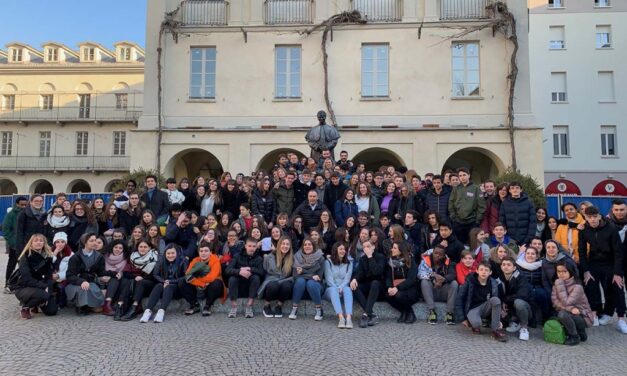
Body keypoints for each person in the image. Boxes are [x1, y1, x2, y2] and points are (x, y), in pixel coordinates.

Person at [578, 206, 626, 332]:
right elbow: (582, 251)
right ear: (585, 217)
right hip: (593, 262)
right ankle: (594, 314)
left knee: (617, 287)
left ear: (599, 216)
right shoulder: (583, 229)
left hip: (610, 262)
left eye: (595, 217)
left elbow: (618, 252)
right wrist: (586, 270)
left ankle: (621, 319)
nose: (592, 220)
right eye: (589, 217)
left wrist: (617, 273)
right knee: (590, 284)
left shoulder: (611, 228)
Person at [454, 261, 507, 342]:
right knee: (477, 324)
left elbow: (496, 305)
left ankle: (495, 330)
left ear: (490, 272)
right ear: (477, 271)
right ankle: (472, 321)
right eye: (481, 270)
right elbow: (460, 298)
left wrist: (498, 320)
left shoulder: (493, 283)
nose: (483, 272)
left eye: (486, 270)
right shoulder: (470, 281)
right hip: (472, 308)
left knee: (496, 300)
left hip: (485, 307)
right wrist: (462, 318)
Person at [65, 233, 114, 316]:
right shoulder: (75, 257)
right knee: (83, 288)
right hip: (76, 282)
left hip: (91, 282)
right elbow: (69, 275)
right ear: (85, 242)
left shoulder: (99, 257)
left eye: (95, 240)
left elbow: (101, 272)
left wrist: (114, 274)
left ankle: (90, 305)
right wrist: (81, 281)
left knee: (94, 296)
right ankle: (81, 306)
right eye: (91, 241)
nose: (95, 243)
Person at [12, 233, 58, 319]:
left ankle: (37, 304)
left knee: (52, 311)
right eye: (36, 241)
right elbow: (27, 279)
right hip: (24, 287)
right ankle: (26, 307)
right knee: (44, 295)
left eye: (41, 241)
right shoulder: (25, 257)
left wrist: (48, 287)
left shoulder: (48, 257)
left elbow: (49, 276)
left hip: (41, 286)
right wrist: (44, 286)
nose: (38, 243)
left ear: (44, 243)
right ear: (31, 243)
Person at [139, 244, 188, 323]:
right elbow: (155, 274)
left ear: (177, 253)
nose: (170, 255)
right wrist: (164, 281)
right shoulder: (161, 260)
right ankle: (148, 311)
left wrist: (170, 282)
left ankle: (161, 311)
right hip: (163, 285)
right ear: (165, 254)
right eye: (168, 253)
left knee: (169, 287)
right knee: (158, 286)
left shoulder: (183, 261)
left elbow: (185, 277)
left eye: (172, 253)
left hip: (177, 288)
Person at [552, 261, 594, 346]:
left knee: (562, 314)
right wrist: (571, 309)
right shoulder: (556, 284)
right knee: (560, 314)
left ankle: (574, 336)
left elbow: (566, 302)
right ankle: (580, 332)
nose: (561, 274)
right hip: (570, 313)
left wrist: (560, 284)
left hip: (583, 316)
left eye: (564, 271)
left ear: (570, 271)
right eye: (559, 271)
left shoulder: (577, 287)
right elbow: (555, 302)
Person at [119, 240, 159, 321]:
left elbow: (155, 276)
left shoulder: (154, 257)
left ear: (149, 248)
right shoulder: (132, 257)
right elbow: (126, 273)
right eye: (140, 247)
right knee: (129, 280)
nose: (142, 249)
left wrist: (142, 278)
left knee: (140, 282)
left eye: (145, 247)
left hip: (150, 284)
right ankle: (121, 306)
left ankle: (134, 307)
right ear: (137, 248)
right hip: (135, 283)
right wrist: (135, 277)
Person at [225, 238, 265, 318]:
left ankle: (249, 306)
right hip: (238, 288)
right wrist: (239, 271)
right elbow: (227, 270)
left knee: (256, 277)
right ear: (245, 246)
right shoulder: (237, 256)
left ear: (256, 247)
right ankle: (233, 306)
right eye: (249, 246)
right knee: (232, 278)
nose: (251, 248)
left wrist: (250, 269)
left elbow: (262, 272)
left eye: (254, 246)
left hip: (251, 288)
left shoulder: (259, 258)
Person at [418, 245, 457, 325]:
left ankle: (449, 313)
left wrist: (442, 280)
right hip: (430, 291)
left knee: (454, 283)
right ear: (432, 253)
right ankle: (432, 311)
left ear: (444, 256)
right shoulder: (425, 261)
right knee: (424, 282)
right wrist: (434, 276)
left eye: (440, 254)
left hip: (443, 291)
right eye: (435, 253)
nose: (437, 255)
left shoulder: (449, 262)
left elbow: (453, 275)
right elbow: (420, 274)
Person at [350, 240, 385, 328]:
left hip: (379, 287)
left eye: (368, 246)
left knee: (375, 283)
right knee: (354, 286)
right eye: (364, 247)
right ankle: (372, 314)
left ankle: (365, 315)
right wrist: (354, 279)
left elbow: (376, 272)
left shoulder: (380, 257)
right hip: (367, 286)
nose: (366, 249)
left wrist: (370, 257)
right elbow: (359, 273)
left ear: (373, 247)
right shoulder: (363, 259)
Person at [184, 241, 226, 316]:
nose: (203, 253)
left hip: (212, 286)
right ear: (198, 252)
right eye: (201, 251)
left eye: (206, 251)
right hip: (200, 286)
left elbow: (211, 278)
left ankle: (207, 306)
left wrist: (195, 278)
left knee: (216, 283)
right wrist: (201, 284)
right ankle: (194, 305)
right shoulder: (195, 260)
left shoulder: (215, 260)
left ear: (210, 252)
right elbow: (187, 274)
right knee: (182, 281)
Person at [289, 237, 326, 321]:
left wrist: (302, 271)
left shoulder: (320, 258)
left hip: (316, 288)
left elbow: (319, 277)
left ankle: (319, 309)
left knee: (311, 283)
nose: (307, 246)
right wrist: (311, 276)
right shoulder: (297, 257)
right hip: (300, 290)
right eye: (305, 245)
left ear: (313, 246)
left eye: (309, 244)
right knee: (300, 281)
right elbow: (295, 275)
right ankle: (294, 309)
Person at [258, 236, 294, 318]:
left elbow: (293, 275)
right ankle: (267, 305)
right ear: (279, 245)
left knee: (287, 286)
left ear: (290, 246)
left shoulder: (292, 259)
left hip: (285, 281)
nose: (285, 246)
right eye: (283, 244)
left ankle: (279, 306)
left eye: (287, 244)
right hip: (271, 282)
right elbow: (264, 271)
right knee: (273, 285)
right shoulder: (269, 257)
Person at [499, 256, 533, 341]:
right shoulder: (499, 278)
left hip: (526, 308)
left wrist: (505, 300)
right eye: (503, 264)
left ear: (514, 268)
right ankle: (512, 321)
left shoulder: (521, 277)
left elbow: (522, 295)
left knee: (518, 302)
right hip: (510, 307)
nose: (506, 267)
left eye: (509, 265)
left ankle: (524, 328)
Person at [448, 168, 485, 244]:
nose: (462, 177)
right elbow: (451, 203)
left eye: (464, 175)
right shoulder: (456, 189)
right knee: (458, 243)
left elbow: (481, 206)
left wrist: (477, 220)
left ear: (469, 175)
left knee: (472, 243)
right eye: (460, 175)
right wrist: (453, 217)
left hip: (472, 222)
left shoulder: (476, 188)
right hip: (458, 222)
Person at [385, 242, 419, 324]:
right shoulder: (391, 262)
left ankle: (410, 313)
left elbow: (411, 279)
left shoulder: (410, 262)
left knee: (399, 295)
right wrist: (389, 287)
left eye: (394, 248)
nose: (392, 249)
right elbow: (388, 277)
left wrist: (397, 288)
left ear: (401, 251)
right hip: (396, 288)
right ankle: (405, 311)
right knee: (387, 295)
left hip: (410, 289)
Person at [324, 243, 354, 329]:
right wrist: (337, 288)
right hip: (330, 289)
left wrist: (341, 287)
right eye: (340, 249)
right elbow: (329, 280)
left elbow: (347, 279)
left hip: (343, 287)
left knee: (347, 289)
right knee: (333, 290)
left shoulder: (349, 263)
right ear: (335, 250)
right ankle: (341, 317)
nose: (343, 251)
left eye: (344, 249)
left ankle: (348, 318)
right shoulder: (328, 262)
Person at [498, 182, 535, 246]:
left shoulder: (529, 202)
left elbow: (533, 222)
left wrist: (528, 238)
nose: (515, 190)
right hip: (509, 240)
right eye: (512, 188)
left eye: (517, 188)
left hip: (526, 239)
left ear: (521, 190)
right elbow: (502, 222)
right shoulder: (505, 203)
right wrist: (506, 238)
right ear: (509, 190)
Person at [3, 196, 28, 293]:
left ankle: (21, 284)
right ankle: (7, 285)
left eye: (25, 205)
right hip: (15, 246)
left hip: (26, 245)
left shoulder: (28, 213)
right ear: (17, 204)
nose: (24, 206)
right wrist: (13, 243)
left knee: (24, 266)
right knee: (11, 265)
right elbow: (6, 230)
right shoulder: (11, 215)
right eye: (22, 205)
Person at [101, 240, 128, 317]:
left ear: (123, 249)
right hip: (103, 280)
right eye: (116, 247)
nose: (117, 249)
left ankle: (110, 304)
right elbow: (100, 270)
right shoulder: (105, 256)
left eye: (120, 248)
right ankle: (108, 305)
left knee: (120, 280)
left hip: (117, 281)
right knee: (114, 278)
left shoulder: (126, 258)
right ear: (112, 248)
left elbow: (126, 271)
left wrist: (121, 273)